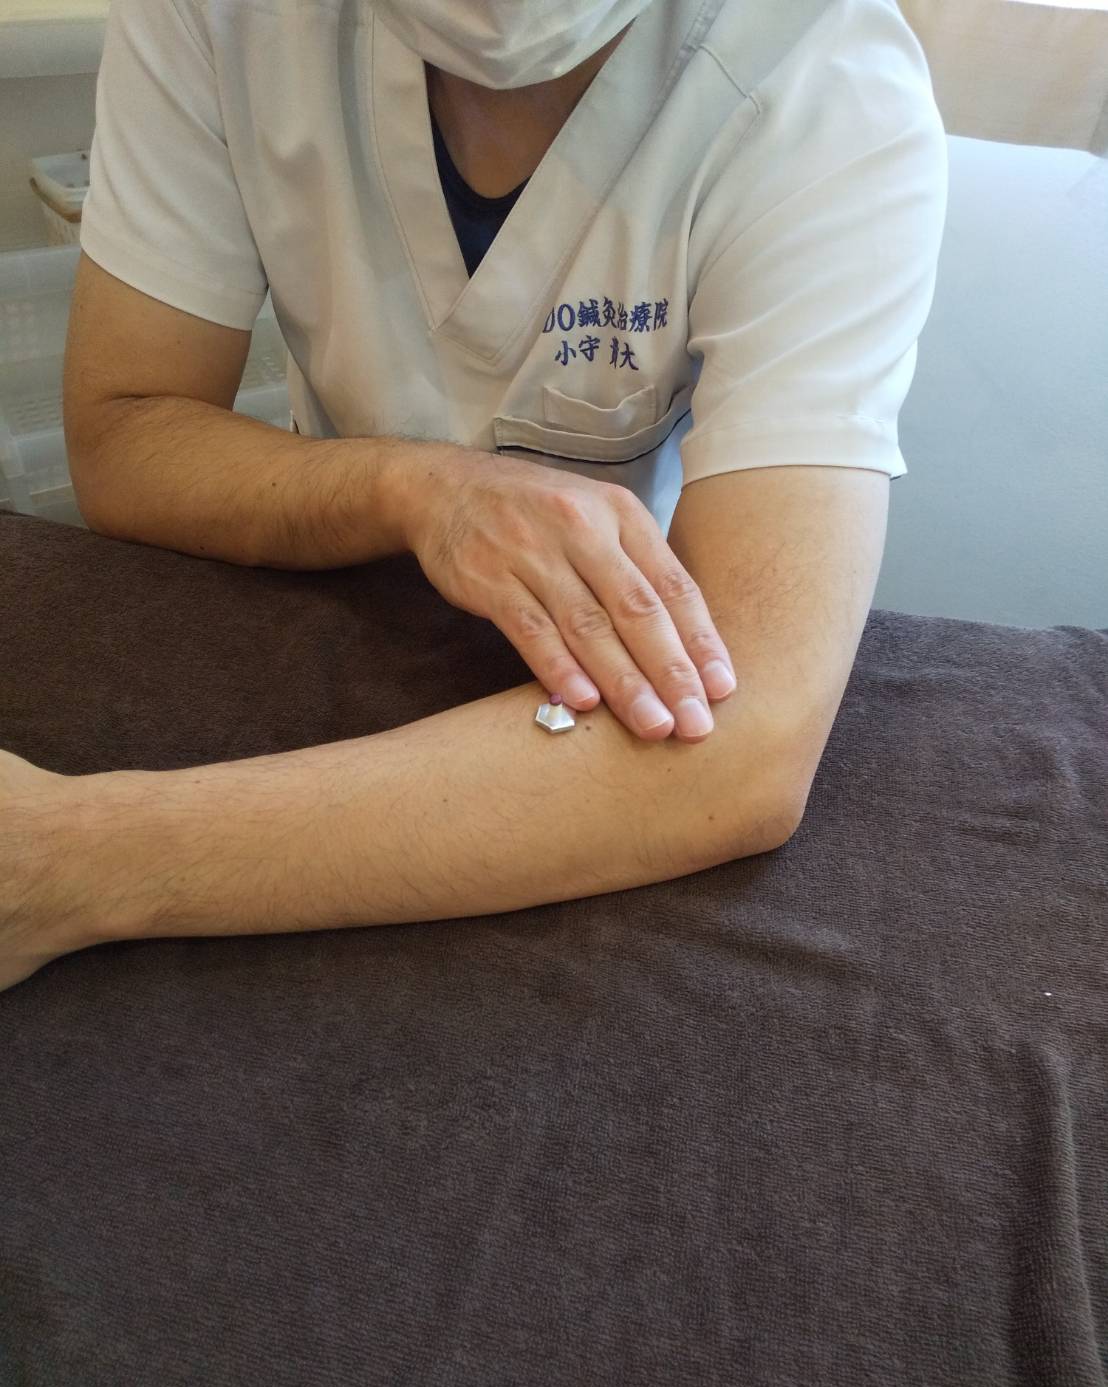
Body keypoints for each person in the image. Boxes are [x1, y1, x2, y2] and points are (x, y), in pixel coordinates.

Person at [0, 0, 947, 989]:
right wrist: (414, 489)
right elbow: (125, 432)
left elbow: (748, 739)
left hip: (597, 698)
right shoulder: (218, 19)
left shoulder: (825, 82)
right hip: (316, 612)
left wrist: (71, 858)